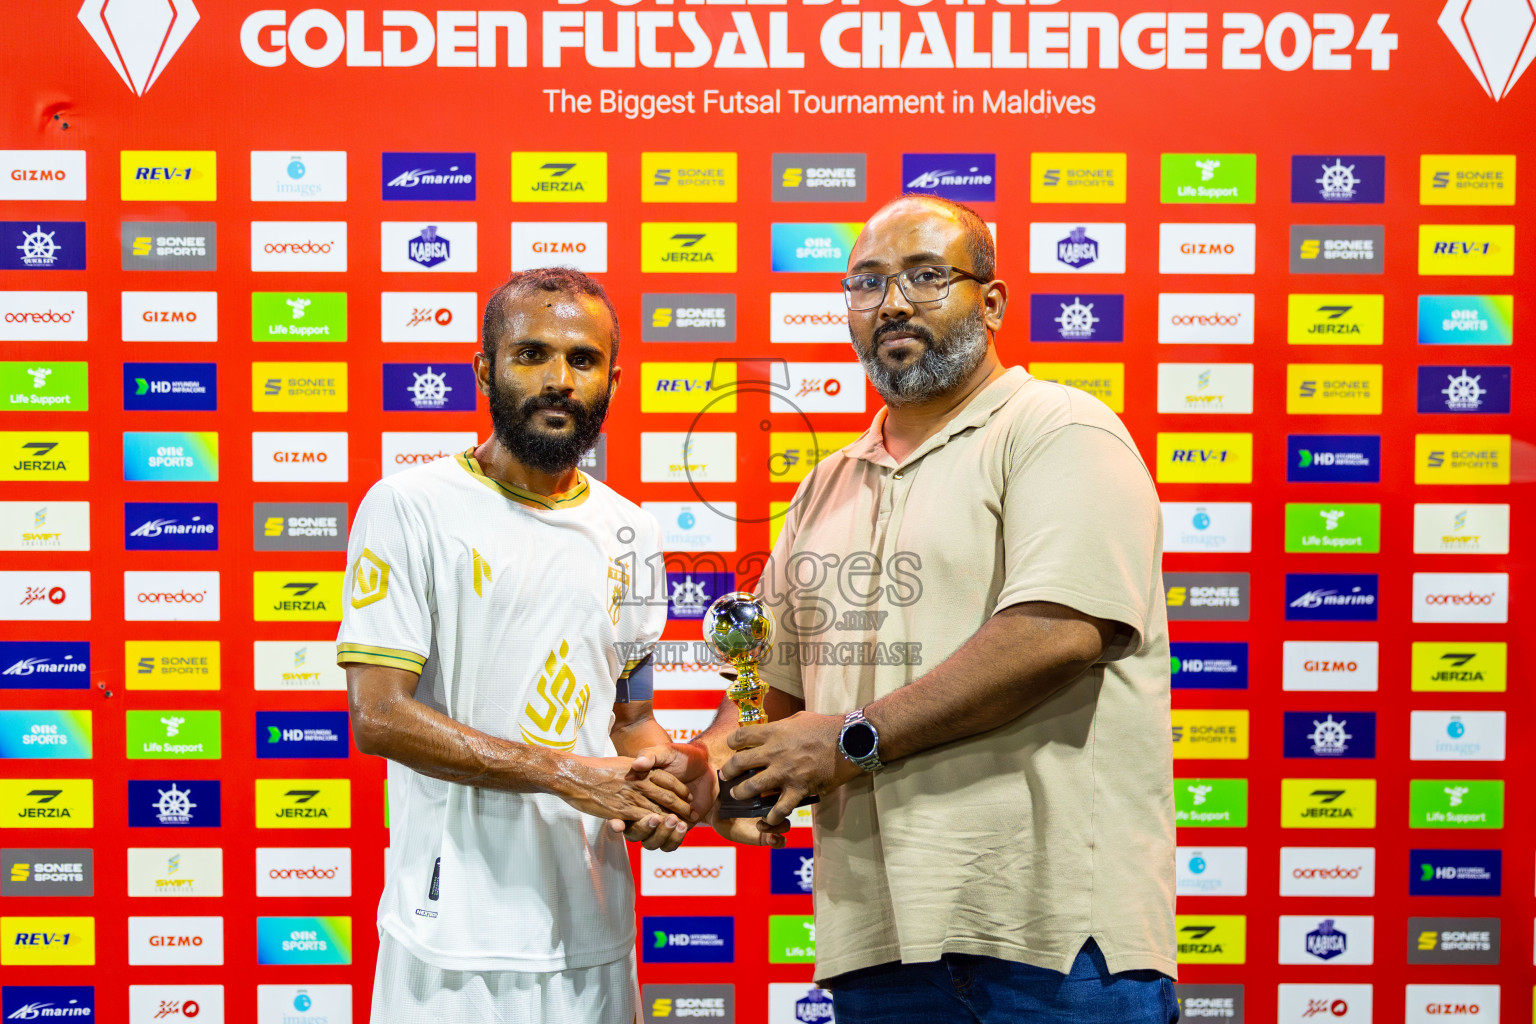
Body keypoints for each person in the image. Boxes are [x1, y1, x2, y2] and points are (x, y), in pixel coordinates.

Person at [692, 195, 1178, 1022]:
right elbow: (772, 697)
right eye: (867, 283)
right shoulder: (826, 484)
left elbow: (1054, 634)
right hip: (877, 949)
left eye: (925, 276)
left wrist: (850, 742)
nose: (892, 304)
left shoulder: (1058, 429)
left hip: (1051, 948)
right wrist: (704, 772)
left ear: (991, 304)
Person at [337, 267, 731, 1024]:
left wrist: (682, 783)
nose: (559, 379)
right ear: (485, 370)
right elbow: (379, 715)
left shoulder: (633, 533)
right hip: (449, 936)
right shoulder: (408, 508)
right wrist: (570, 777)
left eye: (583, 361)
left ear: (613, 380)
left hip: (592, 932)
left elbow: (627, 718)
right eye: (532, 355)